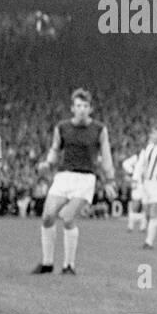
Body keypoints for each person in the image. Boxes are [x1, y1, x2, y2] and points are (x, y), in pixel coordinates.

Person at [32, 88, 115, 275]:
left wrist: (109, 180)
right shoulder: (62, 127)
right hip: (64, 176)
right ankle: (47, 263)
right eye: (78, 105)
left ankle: (68, 265)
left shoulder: (99, 130)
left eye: (85, 106)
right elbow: (55, 149)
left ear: (90, 109)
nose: (82, 109)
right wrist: (48, 163)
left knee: (68, 217)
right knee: (47, 216)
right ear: (72, 108)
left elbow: (106, 155)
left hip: (85, 178)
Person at [121, 151, 145, 232]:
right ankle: (130, 225)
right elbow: (125, 164)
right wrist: (131, 173)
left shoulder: (152, 155)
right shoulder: (137, 157)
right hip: (137, 184)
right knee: (135, 205)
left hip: (147, 184)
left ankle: (143, 226)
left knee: (145, 205)